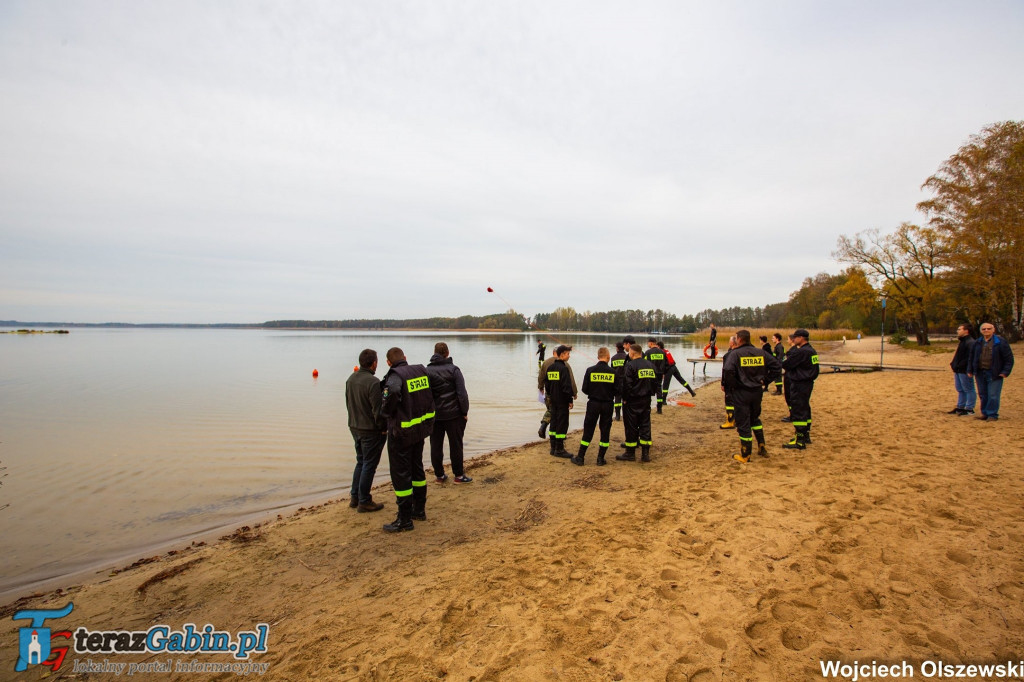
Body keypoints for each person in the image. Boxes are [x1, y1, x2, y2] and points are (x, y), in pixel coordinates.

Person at [380, 347, 436, 532]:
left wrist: (385, 412)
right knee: (416, 469)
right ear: (405, 357)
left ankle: (404, 519)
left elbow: (393, 393)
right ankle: (418, 510)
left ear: (388, 362)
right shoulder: (420, 370)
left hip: (402, 433)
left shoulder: (395, 375)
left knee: (401, 474)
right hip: (419, 430)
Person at [723, 330, 782, 463]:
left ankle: (745, 454)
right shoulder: (760, 352)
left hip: (741, 392)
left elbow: (728, 371)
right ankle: (761, 445)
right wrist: (765, 380)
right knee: (755, 418)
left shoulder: (735, 354)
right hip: (756, 391)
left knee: (743, 423)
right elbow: (777, 366)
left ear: (739, 339)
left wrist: (733, 387)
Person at [344, 349, 387, 513]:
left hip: (354, 426)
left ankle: (355, 497)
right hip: (370, 429)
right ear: (374, 363)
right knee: (369, 464)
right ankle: (364, 500)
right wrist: (383, 428)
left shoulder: (351, 379)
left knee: (361, 461)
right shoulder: (373, 382)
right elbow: (378, 411)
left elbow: (348, 403)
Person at [425, 342, 471, 483]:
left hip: (435, 415)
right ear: (447, 353)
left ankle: (439, 475)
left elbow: (425, 395)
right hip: (454, 415)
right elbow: (462, 394)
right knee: (456, 445)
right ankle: (458, 475)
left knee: (436, 445)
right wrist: (464, 412)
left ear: (435, 353)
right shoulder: (454, 370)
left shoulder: (427, 371)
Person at [571, 347, 619, 467]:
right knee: (605, 430)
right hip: (607, 404)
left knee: (588, 430)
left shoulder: (590, 370)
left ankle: (581, 457)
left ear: (598, 357)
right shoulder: (613, 372)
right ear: (608, 357)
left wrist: (594, 392)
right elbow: (618, 390)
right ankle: (600, 459)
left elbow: (584, 389)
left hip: (593, 403)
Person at [617, 344, 657, 462]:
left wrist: (625, 398)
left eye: (629, 352)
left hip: (632, 400)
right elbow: (655, 383)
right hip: (646, 400)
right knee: (645, 425)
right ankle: (645, 454)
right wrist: (651, 393)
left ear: (632, 353)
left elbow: (627, 384)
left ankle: (630, 453)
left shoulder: (630, 365)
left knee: (631, 426)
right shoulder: (650, 365)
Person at [968, 322, 1014, 421]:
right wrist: (970, 370)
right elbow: (972, 357)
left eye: (988, 328)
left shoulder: (1000, 342)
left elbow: (1009, 358)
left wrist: (1005, 371)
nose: (986, 330)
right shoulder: (977, 342)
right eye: (984, 329)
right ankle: (985, 413)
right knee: (983, 394)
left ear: (993, 330)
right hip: (980, 372)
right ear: (981, 331)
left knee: (993, 395)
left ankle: (992, 414)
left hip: (995, 373)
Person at [781, 330, 819, 449]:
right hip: (808, 383)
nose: (794, 339)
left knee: (798, 410)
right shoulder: (812, 350)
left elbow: (786, 364)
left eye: (796, 337)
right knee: (805, 408)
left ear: (802, 338)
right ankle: (805, 436)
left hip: (799, 383)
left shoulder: (801, 352)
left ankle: (800, 439)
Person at [537, 346, 577, 444]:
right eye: (568, 354)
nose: (569, 356)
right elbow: (570, 381)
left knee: (551, 412)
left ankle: (545, 427)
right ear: (560, 354)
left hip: (550, 394)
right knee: (561, 419)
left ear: (553, 352)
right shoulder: (565, 365)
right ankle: (559, 443)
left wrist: (541, 387)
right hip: (562, 397)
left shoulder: (547, 363)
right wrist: (574, 394)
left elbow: (542, 377)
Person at [545, 345, 575, 458]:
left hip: (553, 400)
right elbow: (567, 387)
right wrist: (570, 400)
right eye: (568, 354)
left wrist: (551, 395)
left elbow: (547, 385)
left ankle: (553, 448)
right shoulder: (564, 368)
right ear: (562, 355)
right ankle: (560, 449)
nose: (569, 356)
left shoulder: (550, 368)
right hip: (562, 401)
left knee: (554, 422)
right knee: (562, 424)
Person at [948, 323, 976, 416]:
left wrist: (969, 369)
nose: (957, 331)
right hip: (958, 369)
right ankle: (960, 406)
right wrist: (954, 364)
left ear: (966, 331)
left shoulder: (970, 342)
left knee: (968, 389)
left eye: (959, 329)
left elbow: (970, 358)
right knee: (960, 389)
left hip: (964, 370)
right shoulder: (963, 341)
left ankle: (969, 408)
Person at [644, 337, 669, 413]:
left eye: (648, 343)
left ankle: (648, 408)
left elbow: (644, 364)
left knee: (648, 391)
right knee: (659, 391)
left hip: (650, 375)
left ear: (651, 343)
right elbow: (667, 364)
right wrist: (664, 372)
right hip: (659, 374)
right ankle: (659, 409)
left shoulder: (648, 352)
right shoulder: (662, 352)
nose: (648, 344)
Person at [720, 335, 738, 429]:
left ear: (732, 343)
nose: (728, 342)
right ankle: (737, 420)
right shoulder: (740, 353)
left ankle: (730, 421)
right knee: (738, 401)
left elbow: (725, 370)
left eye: (729, 341)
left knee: (730, 402)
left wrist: (723, 383)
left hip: (730, 382)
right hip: (739, 382)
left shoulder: (729, 355)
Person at [609, 342, 629, 421]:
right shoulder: (627, 357)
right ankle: (625, 415)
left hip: (617, 380)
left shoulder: (613, 358)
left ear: (617, 348)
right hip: (626, 380)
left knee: (617, 398)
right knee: (625, 397)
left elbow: (612, 370)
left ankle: (617, 415)